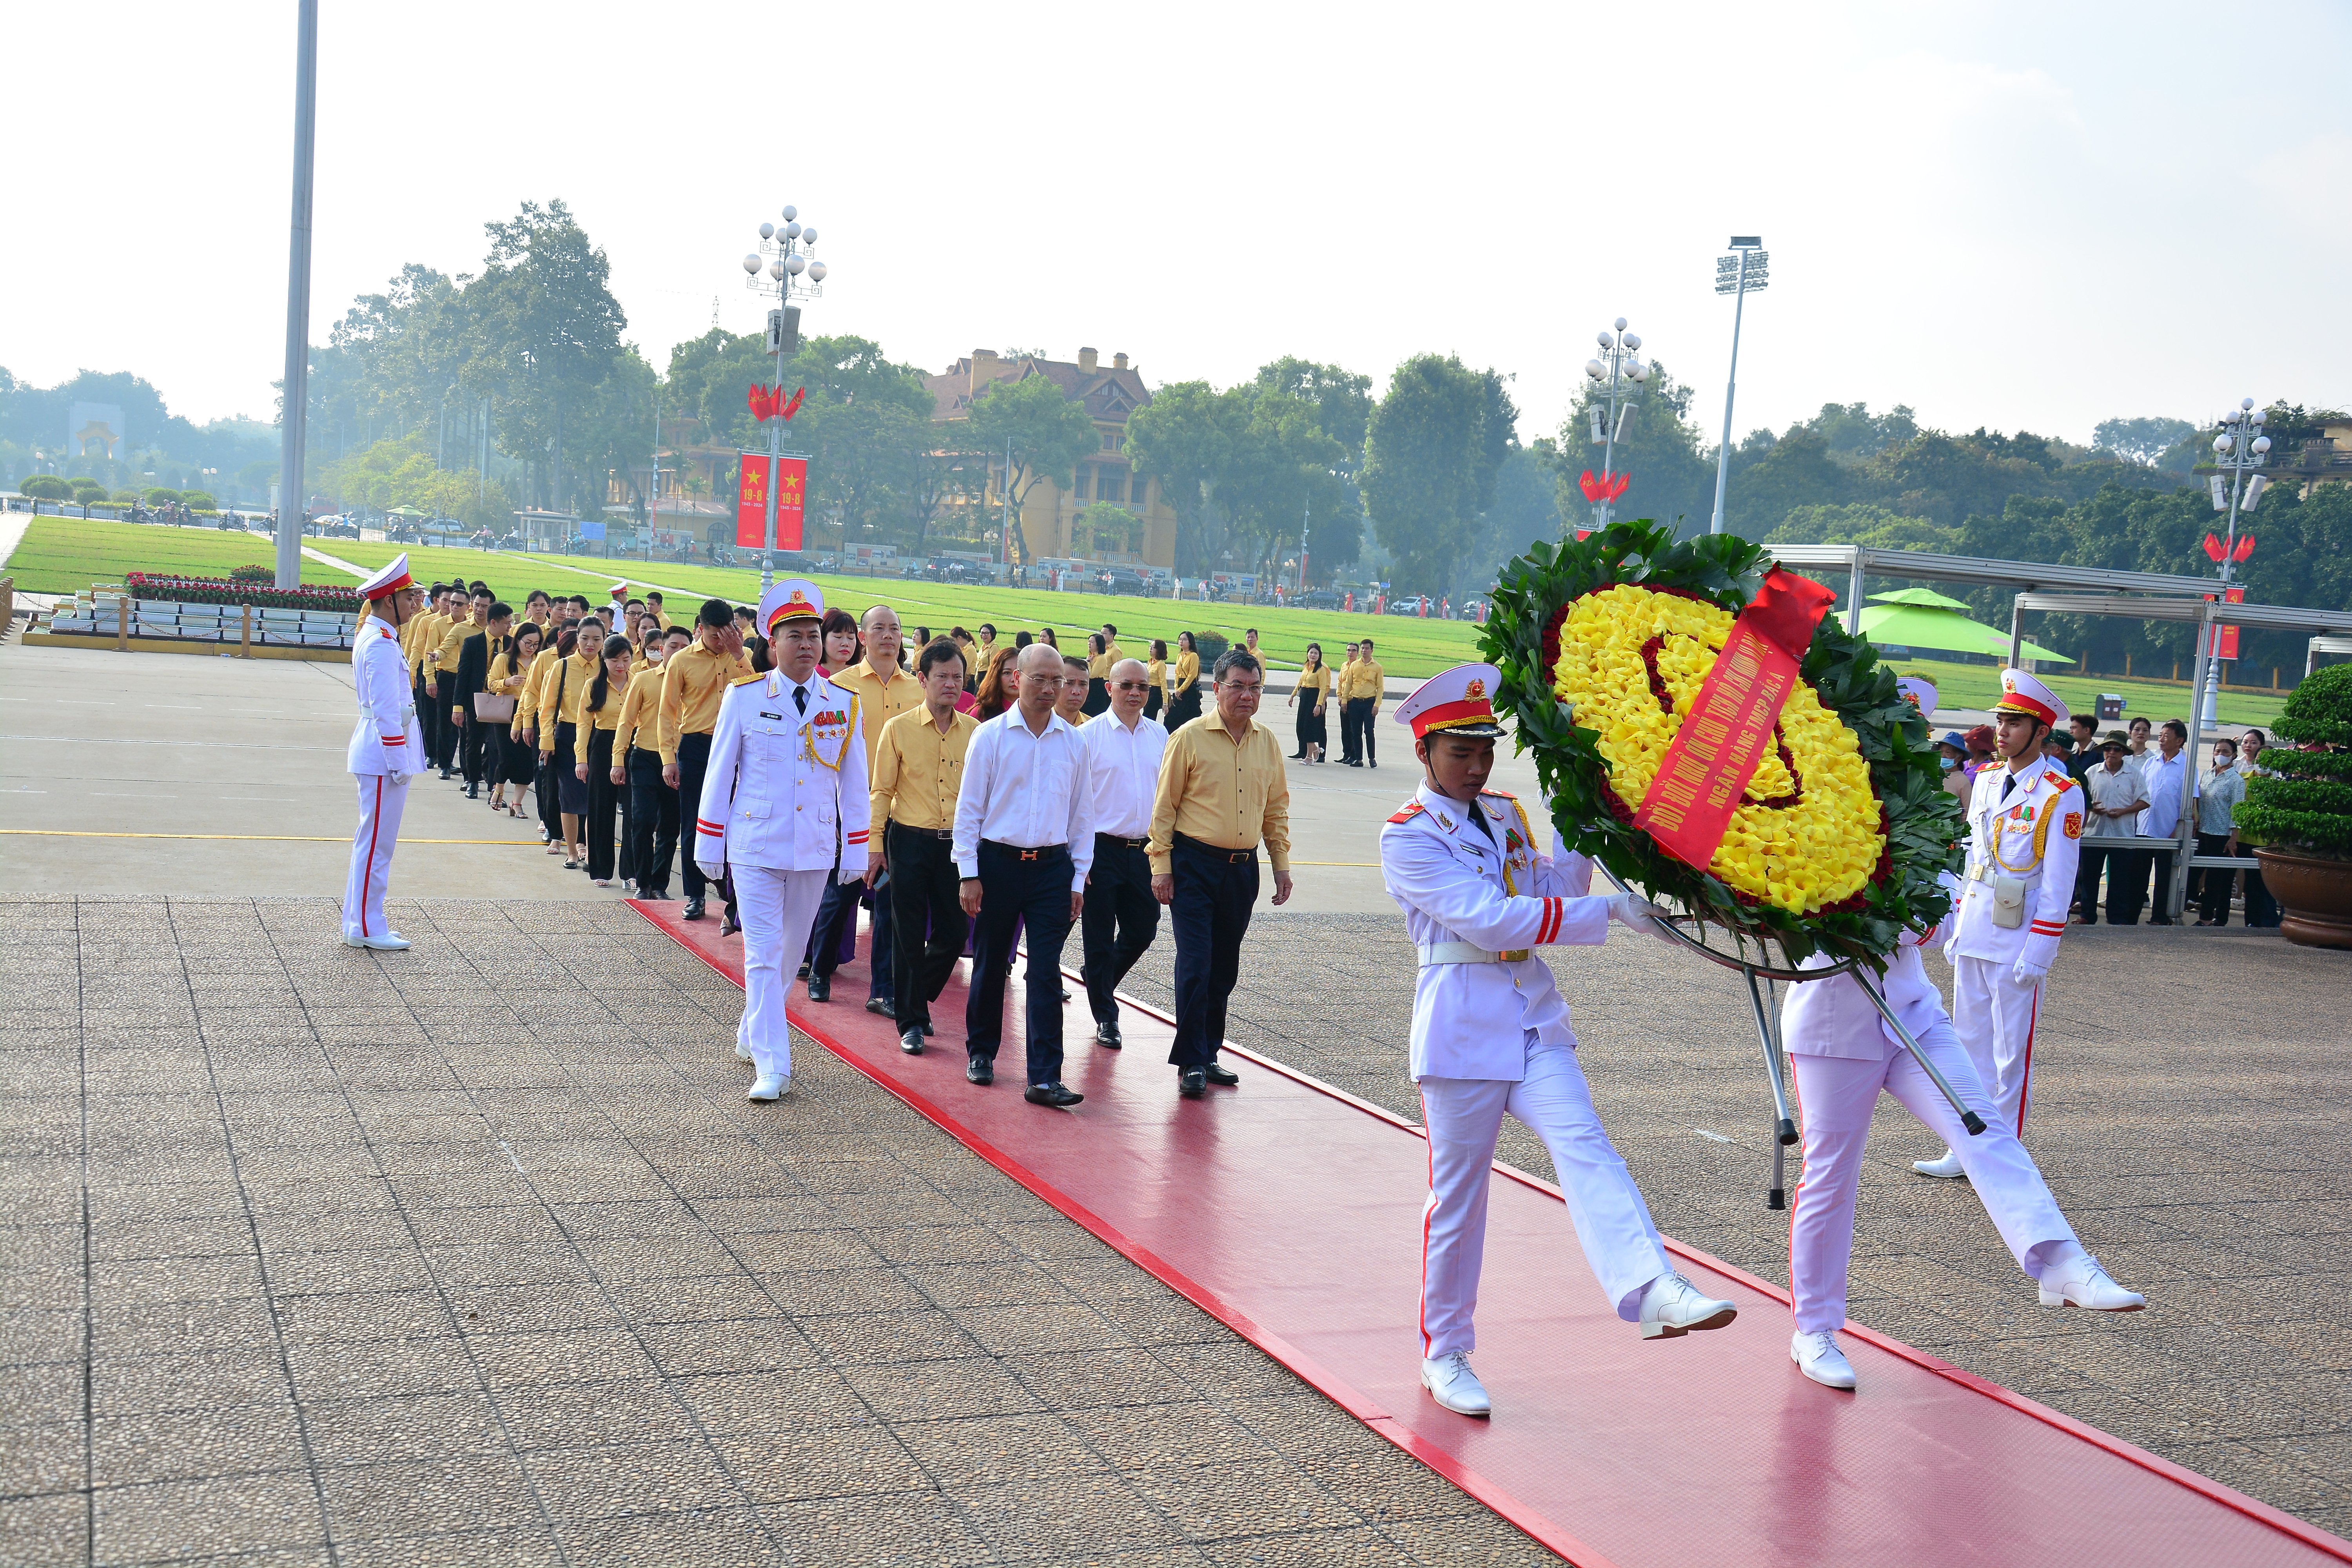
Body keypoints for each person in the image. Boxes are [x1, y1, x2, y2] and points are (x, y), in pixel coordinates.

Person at [1381, 662, 1734, 1419]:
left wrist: (1581, 800)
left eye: (1485, 751)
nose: (1476, 768)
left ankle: (1650, 1286)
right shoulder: (1407, 837)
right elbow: (1489, 919)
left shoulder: (1504, 813)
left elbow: (1553, 887)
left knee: (1588, 1146)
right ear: (1425, 753)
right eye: (1460, 753)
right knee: (1458, 1203)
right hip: (1460, 1032)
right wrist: (1610, 915)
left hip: (1532, 1020)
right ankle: (1444, 1352)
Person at [1785, 875, 2143, 1390]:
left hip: (1913, 1017)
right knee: (1830, 1176)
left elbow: (1948, 913)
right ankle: (1813, 1330)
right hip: (1831, 1025)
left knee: (1983, 1128)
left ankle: (2059, 1261)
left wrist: (1895, 917)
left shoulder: (1913, 815)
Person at [693, 581, 868, 1102]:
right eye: (795, 636)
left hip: (813, 846)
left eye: (814, 635)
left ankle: (752, 1027)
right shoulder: (745, 698)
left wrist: (855, 850)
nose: (808, 645)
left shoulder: (842, 702)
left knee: (793, 953)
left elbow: (853, 783)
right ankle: (774, 1064)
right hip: (755, 843)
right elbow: (720, 771)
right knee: (764, 953)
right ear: (774, 643)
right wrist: (709, 842)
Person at [1916, 670, 2084, 1178]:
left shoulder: (2060, 792)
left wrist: (2040, 951)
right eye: (2001, 720)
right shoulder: (1986, 779)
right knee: (1966, 1044)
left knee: (2011, 1054)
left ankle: (2000, 1154)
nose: (2004, 730)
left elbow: (2059, 881)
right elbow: (1973, 861)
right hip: (1976, 930)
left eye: (2016, 722)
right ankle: (1965, 1147)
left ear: (2041, 732)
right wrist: (1957, 924)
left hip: (2018, 937)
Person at [954, 642, 1095, 1107]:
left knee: (1046, 972)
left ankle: (1045, 1076)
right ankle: (981, 1052)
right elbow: (969, 809)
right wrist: (969, 873)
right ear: (1018, 679)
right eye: (1040, 678)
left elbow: (1082, 817)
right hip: (998, 865)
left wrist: (1078, 879)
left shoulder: (1074, 742)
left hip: (1052, 869)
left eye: (1060, 680)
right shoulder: (991, 736)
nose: (1051, 688)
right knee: (992, 962)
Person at [1148, 649, 1290, 1097]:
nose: (1247, 696)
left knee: (1224, 966)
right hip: (1193, 865)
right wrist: (1161, 867)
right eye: (1238, 687)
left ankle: (1208, 1051)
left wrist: (1281, 864)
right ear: (1217, 688)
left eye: (1255, 688)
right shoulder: (1188, 737)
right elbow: (1164, 809)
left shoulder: (1266, 742)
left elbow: (1276, 810)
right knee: (1196, 961)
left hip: (1241, 870)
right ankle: (1190, 1059)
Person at [870, 638, 978, 1054]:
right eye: (942, 676)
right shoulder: (898, 730)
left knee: (955, 931)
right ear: (922, 679)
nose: (951, 684)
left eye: (958, 677)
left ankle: (916, 994)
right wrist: (874, 847)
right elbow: (881, 791)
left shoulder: (975, 733)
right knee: (908, 934)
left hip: (955, 848)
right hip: (910, 841)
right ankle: (911, 1021)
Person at [810, 603, 920, 1013]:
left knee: (891, 903)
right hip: (851, 806)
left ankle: (883, 989)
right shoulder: (839, 685)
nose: (888, 636)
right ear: (862, 637)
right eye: (879, 629)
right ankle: (820, 969)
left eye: (895, 629)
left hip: (900, 811)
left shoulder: (915, 690)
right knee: (841, 895)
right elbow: (823, 751)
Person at [1080, 658, 1167, 1049]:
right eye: (1127, 685)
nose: (1135, 694)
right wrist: (1079, 858)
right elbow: (1074, 802)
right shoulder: (1089, 735)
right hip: (1101, 849)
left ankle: (1098, 978)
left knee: (1142, 930)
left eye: (1143, 687)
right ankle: (1106, 1017)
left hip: (1145, 851)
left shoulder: (1161, 735)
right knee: (1098, 936)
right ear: (1110, 688)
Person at [342, 555, 424, 951]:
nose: (414, 603)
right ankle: (368, 925)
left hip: (379, 754)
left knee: (373, 844)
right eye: (409, 596)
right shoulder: (379, 643)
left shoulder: (381, 638)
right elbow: (387, 712)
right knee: (376, 846)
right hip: (382, 755)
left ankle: (361, 921)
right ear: (390, 600)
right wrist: (400, 762)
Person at [661, 599, 751, 921]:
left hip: (738, 749)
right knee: (693, 823)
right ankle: (695, 895)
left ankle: (734, 895)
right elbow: (667, 713)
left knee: (738, 821)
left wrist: (739, 654)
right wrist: (668, 759)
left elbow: (761, 691)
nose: (721, 641)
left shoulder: (741, 657)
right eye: (715, 635)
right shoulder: (682, 661)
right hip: (697, 747)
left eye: (727, 634)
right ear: (701, 629)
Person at [618, 626, 687, 898]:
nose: (678, 652)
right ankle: (643, 882)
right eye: (673, 646)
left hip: (681, 760)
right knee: (643, 821)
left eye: (685, 647)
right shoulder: (644, 679)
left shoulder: (695, 683)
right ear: (661, 650)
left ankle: (660, 886)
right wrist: (617, 759)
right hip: (646, 757)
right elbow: (627, 721)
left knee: (670, 828)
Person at [569, 635, 636, 887]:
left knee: (633, 811)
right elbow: (584, 724)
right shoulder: (593, 686)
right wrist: (581, 759)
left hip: (633, 745)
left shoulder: (638, 682)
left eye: (626, 660)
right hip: (602, 746)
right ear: (604, 660)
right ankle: (601, 869)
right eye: (614, 660)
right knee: (601, 810)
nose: (620, 666)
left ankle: (631, 870)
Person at [2074, 733, 2149, 926]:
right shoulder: (2092, 772)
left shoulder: (2134, 774)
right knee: (2089, 877)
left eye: (2117, 749)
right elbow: (2081, 799)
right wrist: (2094, 809)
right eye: (2108, 749)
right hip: (2095, 832)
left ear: (2124, 752)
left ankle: (2117, 917)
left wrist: (2125, 811)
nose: (2112, 753)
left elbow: (2144, 801)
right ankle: (2087, 914)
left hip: (2121, 834)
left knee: (2119, 880)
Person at [2132, 719, 2191, 925]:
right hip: (2144, 827)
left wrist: (2179, 829)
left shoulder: (2187, 767)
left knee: (2165, 877)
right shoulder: (2152, 762)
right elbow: (2141, 794)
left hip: (2168, 831)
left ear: (2180, 741)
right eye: (2161, 735)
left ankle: (2159, 917)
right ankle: (2131, 916)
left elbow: (2190, 802)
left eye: (2167, 736)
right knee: (2138, 875)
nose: (2161, 739)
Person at [450, 596, 508, 799]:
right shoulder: (473, 643)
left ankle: (493, 783)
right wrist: (458, 706)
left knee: (496, 746)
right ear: (494, 623)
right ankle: (472, 781)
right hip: (476, 700)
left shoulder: (510, 644)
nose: (510, 626)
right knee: (473, 743)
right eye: (507, 622)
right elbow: (463, 676)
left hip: (501, 701)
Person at [488, 622, 541, 818]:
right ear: (517, 640)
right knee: (506, 755)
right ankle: (499, 788)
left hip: (530, 713)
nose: (531, 648)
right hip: (506, 710)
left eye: (536, 644)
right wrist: (507, 682)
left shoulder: (539, 661)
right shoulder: (503, 659)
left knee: (527, 761)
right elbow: (491, 685)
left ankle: (517, 803)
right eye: (528, 643)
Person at [2192, 737, 2246, 926]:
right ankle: (2192, 900)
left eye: (2225, 752)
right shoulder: (2207, 774)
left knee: (2216, 879)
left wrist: (2234, 837)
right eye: (2217, 751)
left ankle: (2207, 918)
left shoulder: (2236, 780)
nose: (2220, 755)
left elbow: (2237, 809)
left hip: (2222, 834)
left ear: (2233, 756)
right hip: (2204, 830)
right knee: (2194, 870)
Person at [2239, 730, 2280, 926]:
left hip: (2267, 841)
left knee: (2267, 885)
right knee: (2251, 885)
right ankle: (2252, 921)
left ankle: (2269, 922)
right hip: (2245, 838)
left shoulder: (2277, 784)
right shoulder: (2244, 778)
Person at [1341, 637, 1385, 768]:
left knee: (1369, 731)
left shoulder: (1377, 667)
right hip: (1355, 702)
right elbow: (1349, 684)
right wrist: (1344, 700)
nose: (1364, 651)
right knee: (1356, 731)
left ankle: (1372, 758)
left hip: (1369, 703)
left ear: (1372, 650)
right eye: (1363, 648)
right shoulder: (1355, 665)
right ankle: (1359, 759)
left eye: (1367, 648)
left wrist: (1377, 705)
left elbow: (1380, 688)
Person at [1289, 642, 1332, 762]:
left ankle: (1309, 757)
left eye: (1316, 653)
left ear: (1320, 655)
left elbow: (1323, 688)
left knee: (1309, 728)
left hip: (1314, 698)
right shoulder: (1307, 667)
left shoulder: (1321, 669)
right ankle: (1316, 750)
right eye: (1311, 653)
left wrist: (1319, 704)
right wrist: (1293, 696)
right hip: (1305, 698)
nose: (1313, 655)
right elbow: (1300, 682)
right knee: (1301, 727)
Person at [1164, 630, 1201, 730]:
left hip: (1189, 689)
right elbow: (1177, 673)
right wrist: (1177, 688)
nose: (1181, 642)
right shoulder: (1180, 656)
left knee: (1189, 716)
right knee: (1171, 717)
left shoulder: (1193, 656)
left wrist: (1182, 690)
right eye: (1180, 639)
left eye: (1184, 640)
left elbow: (1192, 675)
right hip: (1179, 687)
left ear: (1190, 642)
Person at [975, 646, 1019, 721]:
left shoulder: (1039, 712)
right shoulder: (981, 712)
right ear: (996, 675)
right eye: (1007, 673)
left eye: (1019, 673)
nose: (1014, 679)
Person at [1055, 652, 1091, 728]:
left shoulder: (1094, 728)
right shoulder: (1036, 725)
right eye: (1070, 683)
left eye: (1083, 684)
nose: (1076, 692)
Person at [1082, 633, 1112, 716]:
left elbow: (1092, 675)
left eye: (1092, 642)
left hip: (1097, 685)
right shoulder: (1091, 656)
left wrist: (1088, 662)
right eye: (1089, 642)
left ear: (1098, 645)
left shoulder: (1101, 658)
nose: (1089, 644)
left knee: (1094, 710)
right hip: (1091, 684)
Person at [1143, 639, 1167, 723]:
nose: (1151, 649)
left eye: (1153, 647)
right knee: (1145, 714)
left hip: (1156, 692)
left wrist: (1165, 703)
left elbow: (1163, 683)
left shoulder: (1161, 664)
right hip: (1148, 690)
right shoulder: (1150, 662)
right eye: (1150, 647)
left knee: (1148, 717)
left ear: (1159, 650)